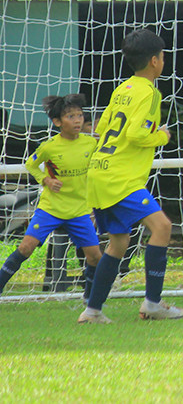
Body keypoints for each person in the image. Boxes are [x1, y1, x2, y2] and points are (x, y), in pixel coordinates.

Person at [79, 29, 183, 323]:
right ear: (155, 61)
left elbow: (102, 128)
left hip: (99, 173)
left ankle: (92, 310)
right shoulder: (150, 92)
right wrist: (162, 136)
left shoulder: (122, 89)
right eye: (163, 56)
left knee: (118, 242)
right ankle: (153, 303)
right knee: (162, 227)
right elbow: (137, 133)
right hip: (120, 178)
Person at [0, 94, 101, 297]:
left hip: (79, 210)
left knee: (95, 257)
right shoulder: (50, 147)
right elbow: (31, 163)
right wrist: (46, 180)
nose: (77, 120)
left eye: (80, 115)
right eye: (71, 116)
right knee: (26, 248)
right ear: (57, 122)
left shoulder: (90, 145)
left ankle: (90, 300)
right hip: (50, 209)